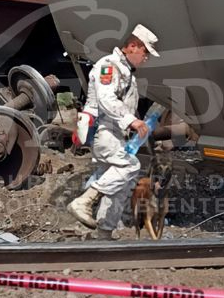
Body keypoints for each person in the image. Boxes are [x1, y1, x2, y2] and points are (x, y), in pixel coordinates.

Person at [68, 23, 159, 239]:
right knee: (129, 166)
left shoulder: (126, 71)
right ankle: (84, 201)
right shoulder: (109, 66)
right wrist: (131, 121)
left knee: (121, 182)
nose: (146, 58)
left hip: (116, 135)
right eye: (145, 53)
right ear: (133, 46)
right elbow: (106, 98)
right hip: (106, 132)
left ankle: (104, 233)